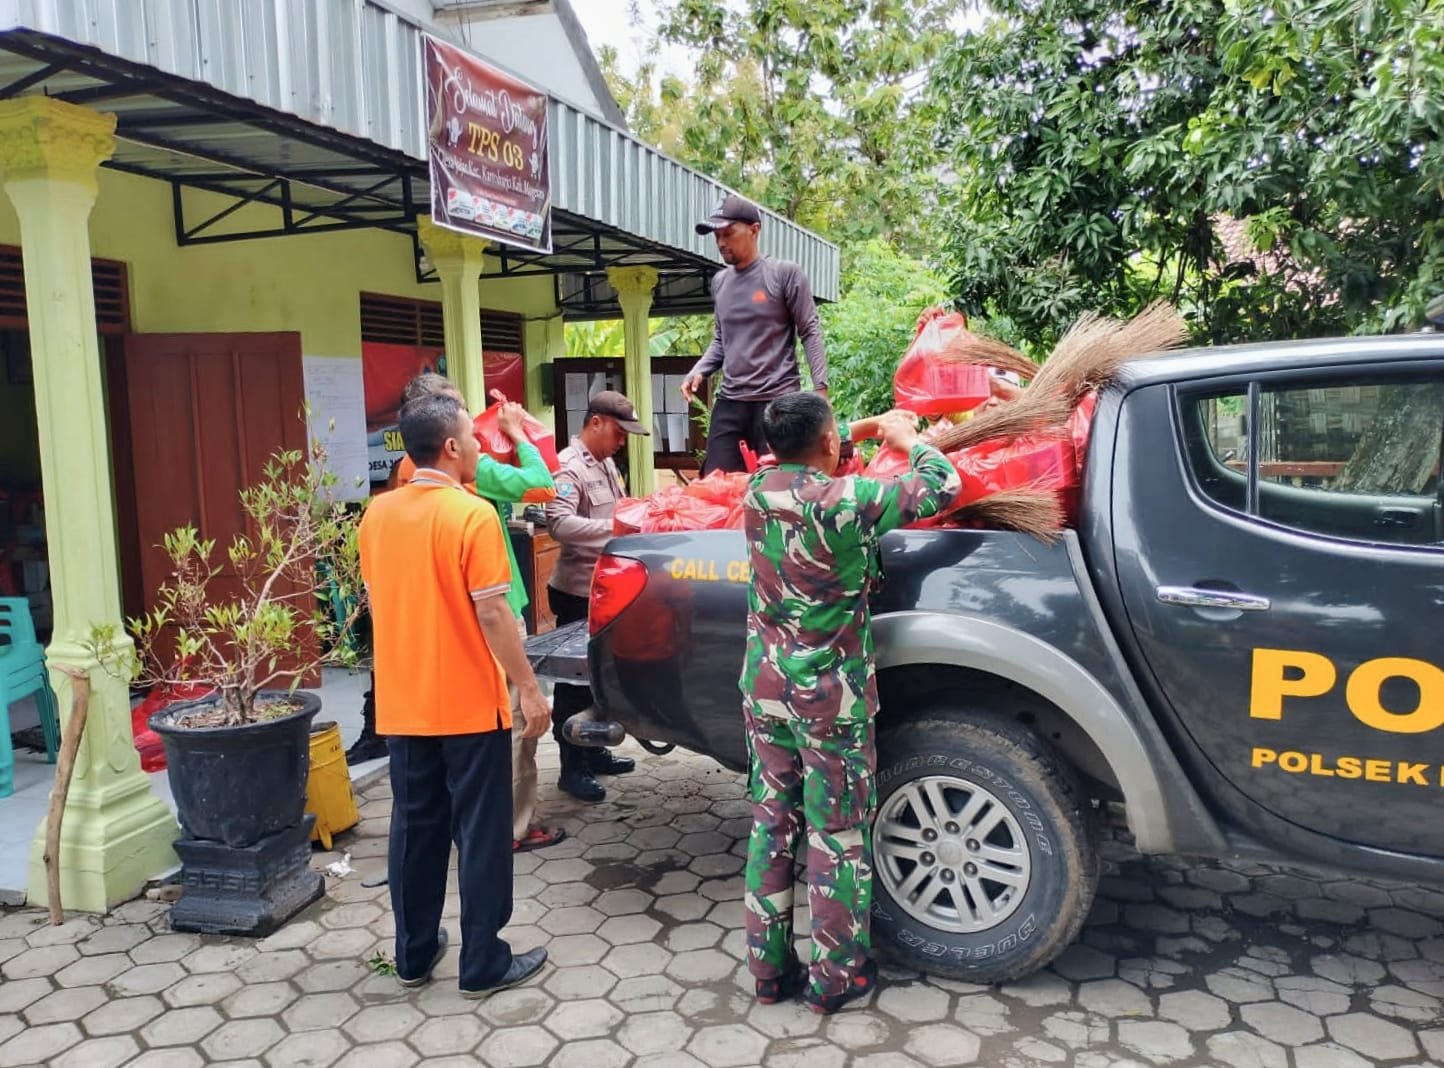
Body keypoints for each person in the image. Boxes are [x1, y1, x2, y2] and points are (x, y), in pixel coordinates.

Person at [739, 393, 962, 1014]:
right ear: (828, 441)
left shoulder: (757, 492)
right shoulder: (847, 502)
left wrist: (855, 430)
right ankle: (837, 981)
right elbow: (942, 483)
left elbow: (798, 454)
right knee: (835, 833)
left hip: (766, 689)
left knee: (772, 821)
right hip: (828, 700)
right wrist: (906, 439)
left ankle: (767, 972)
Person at [358, 392, 550, 996]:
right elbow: (493, 613)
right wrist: (529, 688)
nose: (477, 445)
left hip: (404, 704)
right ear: (449, 447)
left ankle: (413, 954)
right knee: (481, 833)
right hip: (469, 703)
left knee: (414, 829)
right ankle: (483, 960)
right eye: (471, 437)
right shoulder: (472, 515)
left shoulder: (377, 515)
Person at [381, 373, 566, 852]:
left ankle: (461, 827)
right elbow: (543, 487)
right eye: (466, 426)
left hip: (427, 632)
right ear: (448, 442)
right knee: (512, 723)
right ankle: (511, 828)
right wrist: (520, 435)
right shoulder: (468, 481)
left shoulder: (396, 488)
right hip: (487, 614)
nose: (477, 440)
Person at [544, 389, 649, 802]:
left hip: (606, 588)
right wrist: (615, 530)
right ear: (596, 423)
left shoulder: (605, 464)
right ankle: (572, 767)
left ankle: (595, 752)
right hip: (577, 591)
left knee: (599, 678)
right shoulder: (569, 468)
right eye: (619, 433)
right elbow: (559, 524)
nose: (622, 441)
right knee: (574, 682)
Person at [682, 194, 829, 474]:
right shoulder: (720, 282)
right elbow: (721, 339)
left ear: (754, 229)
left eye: (728, 233)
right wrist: (699, 370)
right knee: (716, 480)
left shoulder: (783, 274)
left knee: (778, 484)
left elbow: (809, 330)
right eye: (716, 236)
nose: (721, 242)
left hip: (777, 400)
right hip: (732, 400)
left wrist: (821, 391)